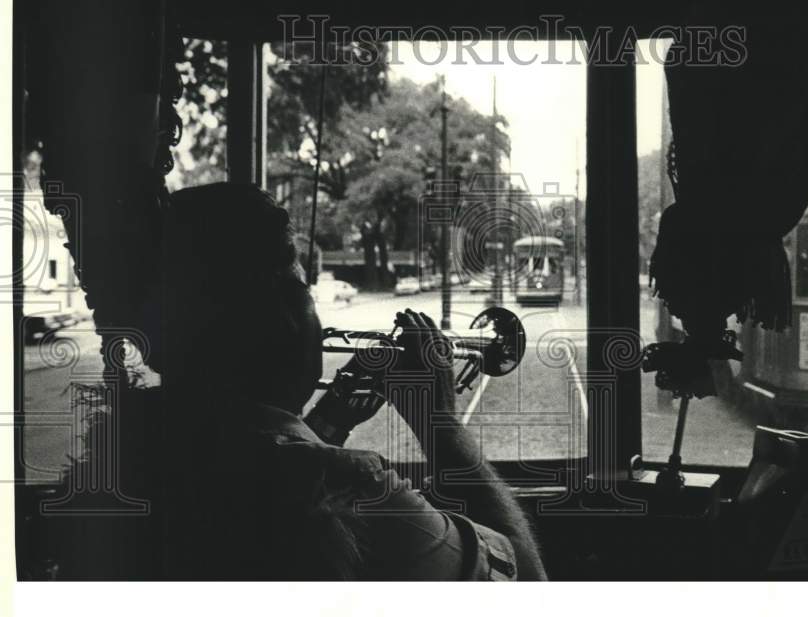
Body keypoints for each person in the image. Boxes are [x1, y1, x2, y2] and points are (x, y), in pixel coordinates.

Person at [54, 183, 545, 580]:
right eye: (305, 291)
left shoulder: (132, 451)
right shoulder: (352, 487)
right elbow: (527, 581)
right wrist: (439, 425)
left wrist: (326, 423)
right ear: (286, 310)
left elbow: (253, 458)